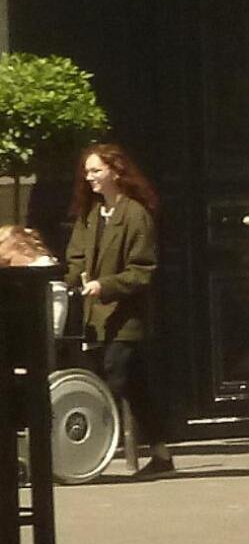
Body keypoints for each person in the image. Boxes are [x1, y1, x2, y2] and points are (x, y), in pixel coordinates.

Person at [66, 144, 174, 475]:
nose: (90, 177)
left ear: (115, 171)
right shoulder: (91, 214)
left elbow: (142, 271)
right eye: (87, 171)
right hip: (95, 317)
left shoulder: (136, 215)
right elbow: (76, 257)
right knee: (136, 386)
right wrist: (69, 279)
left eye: (96, 170)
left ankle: (92, 452)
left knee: (112, 379)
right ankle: (162, 454)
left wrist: (105, 285)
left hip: (126, 318)